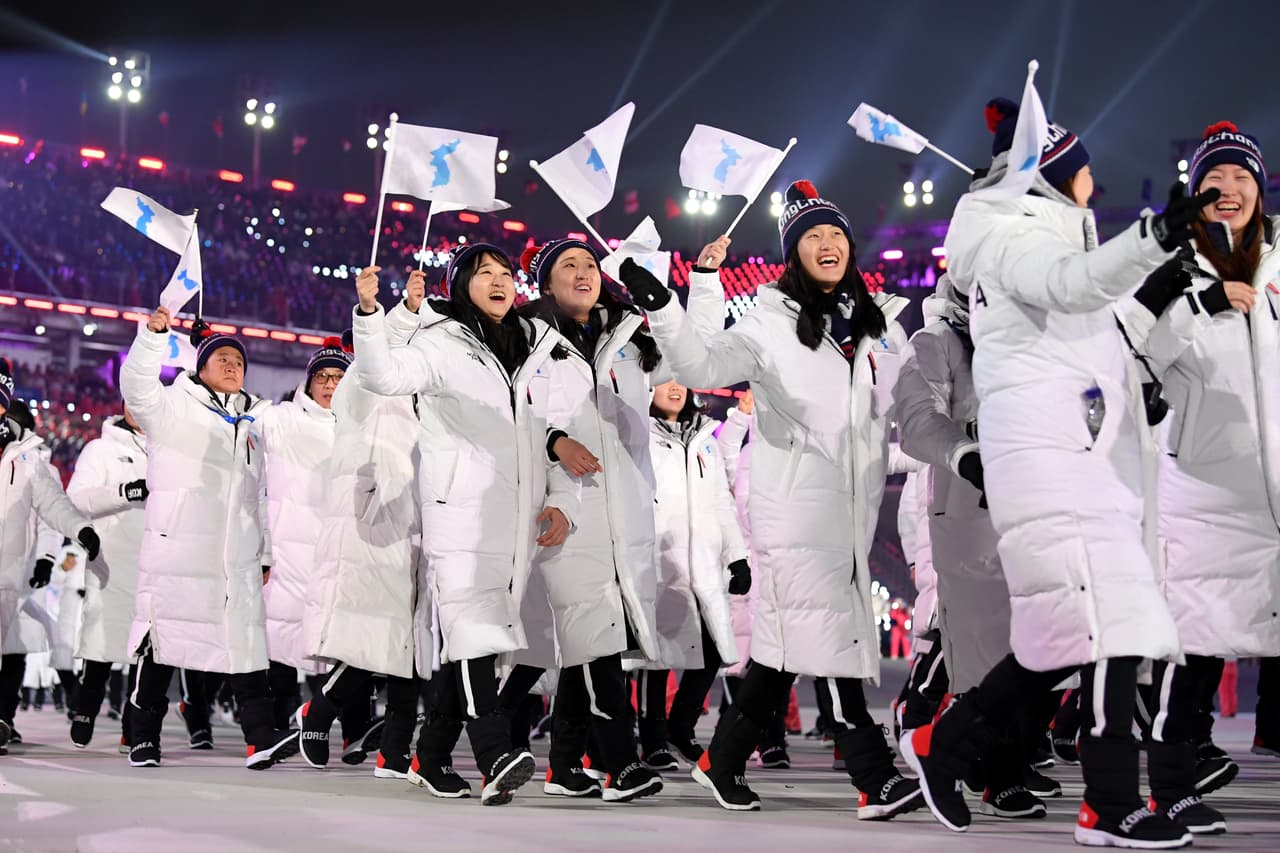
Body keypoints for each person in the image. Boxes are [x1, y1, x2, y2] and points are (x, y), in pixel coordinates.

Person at [901, 97, 1218, 849]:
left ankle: (946, 740)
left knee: (1070, 638)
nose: (1095, 185)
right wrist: (1152, 237)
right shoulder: (1013, 237)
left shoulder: (1050, 243)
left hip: (1083, 458)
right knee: (1112, 627)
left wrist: (1166, 282)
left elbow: (1098, 331)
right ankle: (1106, 802)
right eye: (1085, 172)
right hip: (1049, 461)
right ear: (1054, 176)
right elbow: (1075, 286)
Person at [619, 180, 922, 819]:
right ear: (794, 253)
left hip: (849, 512)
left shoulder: (877, 324)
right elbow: (700, 366)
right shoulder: (769, 323)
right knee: (830, 636)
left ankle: (720, 761)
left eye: (835, 233)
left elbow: (893, 417)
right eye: (812, 236)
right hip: (794, 510)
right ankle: (873, 772)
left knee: (781, 655)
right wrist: (670, 307)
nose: (827, 243)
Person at [351, 245, 578, 806]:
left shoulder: (529, 349)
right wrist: (370, 314)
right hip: (457, 511)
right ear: (460, 286)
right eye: (485, 274)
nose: (500, 282)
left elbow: (539, 432)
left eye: (506, 274)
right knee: (475, 626)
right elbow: (382, 375)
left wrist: (553, 499)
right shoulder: (440, 343)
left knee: (477, 637)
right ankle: (494, 754)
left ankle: (429, 759)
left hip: (513, 519)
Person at [498, 236, 690, 803]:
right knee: (592, 637)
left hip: (624, 504)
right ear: (545, 282)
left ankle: (561, 765)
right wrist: (554, 441)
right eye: (567, 266)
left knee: (600, 635)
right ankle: (618, 762)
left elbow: (693, 358)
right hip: (561, 503)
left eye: (588, 264)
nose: (582, 273)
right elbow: (510, 415)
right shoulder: (526, 339)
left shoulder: (630, 338)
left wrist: (678, 295)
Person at [1132, 120, 1279, 833]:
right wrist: (1203, 304)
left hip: (1272, 488)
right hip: (1201, 489)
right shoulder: (1173, 270)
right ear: (1196, 193)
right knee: (1193, 649)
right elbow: (1140, 356)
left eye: (1242, 180)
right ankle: (1169, 785)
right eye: (1215, 181)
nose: (1230, 192)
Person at [119, 312, 300, 769]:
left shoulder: (257, 419)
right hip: (179, 549)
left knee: (246, 646)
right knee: (162, 646)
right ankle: (143, 736)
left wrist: (263, 551)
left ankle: (259, 739)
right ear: (200, 368)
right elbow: (137, 389)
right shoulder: (173, 408)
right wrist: (152, 339)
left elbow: (261, 494)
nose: (232, 365)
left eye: (238, 360)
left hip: (234, 555)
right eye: (221, 357)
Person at [637, 379, 749, 770]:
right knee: (656, 658)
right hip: (660, 560)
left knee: (713, 650)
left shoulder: (705, 440)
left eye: (680, 382)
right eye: (664, 382)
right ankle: (652, 739)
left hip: (703, 563)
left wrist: (737, 557)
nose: (674, 389)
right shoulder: (641, 436)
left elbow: (721, 501)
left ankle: (679, 727)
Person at [0, 360, 100, 754]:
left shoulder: (29, 462)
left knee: (14, 648)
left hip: (10, 575)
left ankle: (4, 717)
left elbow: (52, 508)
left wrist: (78, 531)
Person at [66, 404, 148, 751]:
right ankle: (86, 709)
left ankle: (134, 727)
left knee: (146, 653)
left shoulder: (169, 449)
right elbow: (76, 497)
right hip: (111, 559)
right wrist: (124, 491)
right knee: (101, 644)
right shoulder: (100, 449)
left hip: (153, 562)